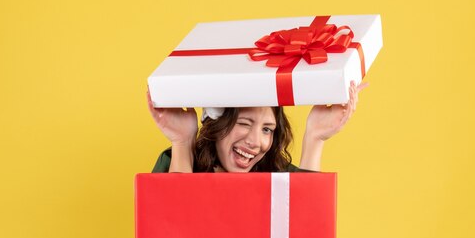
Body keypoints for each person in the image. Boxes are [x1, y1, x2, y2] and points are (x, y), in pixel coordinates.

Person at [147, 81, 367, 173]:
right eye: (244, 123)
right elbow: (173, 230)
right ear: (216, 123)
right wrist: (183, 142)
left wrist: (315, 137)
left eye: (267, 129)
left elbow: (306, 226)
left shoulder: (278, 175)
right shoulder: (173, 161)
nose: (255, 142)